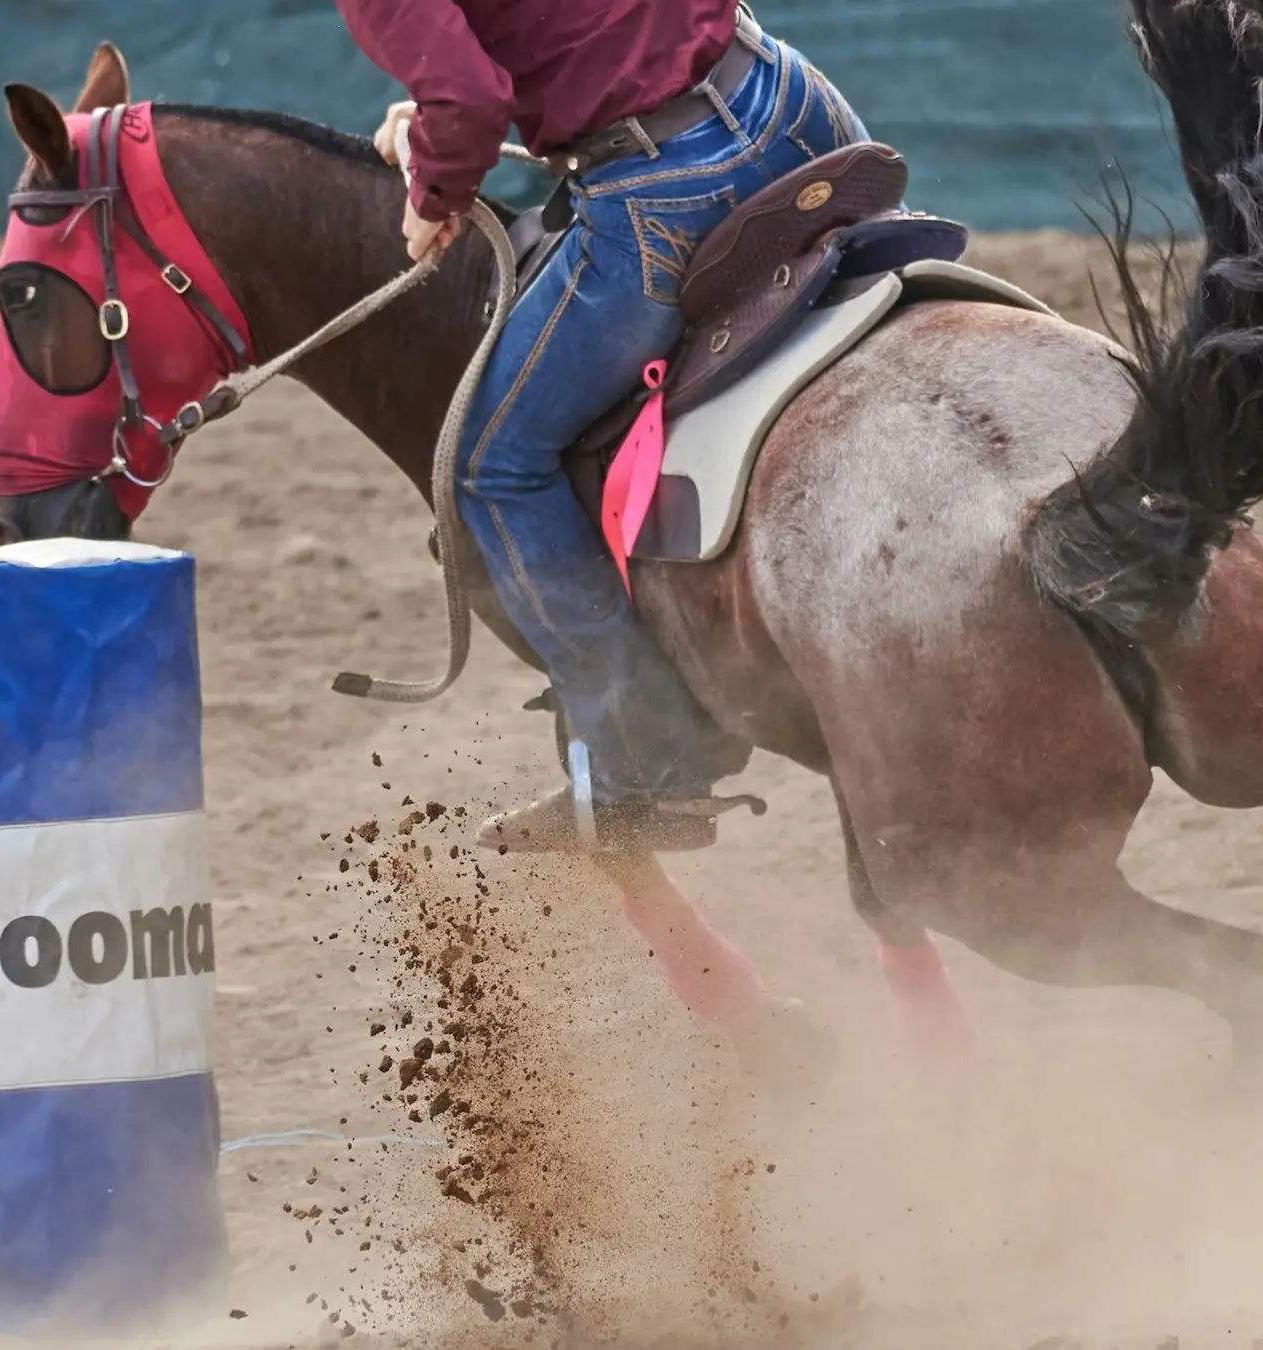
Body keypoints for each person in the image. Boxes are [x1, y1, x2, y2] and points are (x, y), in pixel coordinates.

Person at [334, 0, 872, 852]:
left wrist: (435, 188)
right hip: (789, 100)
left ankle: (644, 764)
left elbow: (469, 99)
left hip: (670, 184)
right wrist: (440, 133)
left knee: (489, 458)